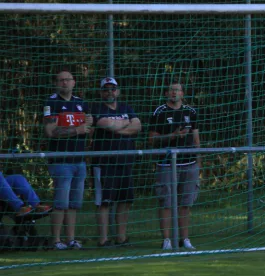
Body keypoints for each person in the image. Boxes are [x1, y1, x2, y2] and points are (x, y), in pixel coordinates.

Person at [43, 68, 93, 250]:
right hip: (61, 160)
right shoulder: (52, 102)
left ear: (74, 82)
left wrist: (89, 124)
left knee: (74, 203)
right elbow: (50, 131)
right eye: (61, 80)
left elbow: (89, 124)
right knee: (61, 202)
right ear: (56, 83)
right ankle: (56, 240)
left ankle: (71, 239)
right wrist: (76, 130)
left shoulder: (81, 103)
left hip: (79, 159)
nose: (65, 83)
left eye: (68, 80)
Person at [148, 81, 201, 250]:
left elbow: (196, 139)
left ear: (182, 94)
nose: (174, 93)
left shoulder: (191, 112)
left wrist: (199, 163)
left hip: (189, 163)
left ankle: (184, 239)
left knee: (186, 203)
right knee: (166, 202)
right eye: (171, 90)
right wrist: (172, 136)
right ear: (166, 93)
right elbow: (152, 139)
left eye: (177, 90)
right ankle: (166, 240)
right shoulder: (160, 112)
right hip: (166, 164)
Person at [91, 77, 142, 247]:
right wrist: (124, 123)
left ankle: (121, 237)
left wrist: (117, 127)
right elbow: (104, 123)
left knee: (125, 200)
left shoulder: (126, 107)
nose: (110, 92)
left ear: (118, 91)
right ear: (101, 92)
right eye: (106, 89)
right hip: (104, 162)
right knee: (104, 201)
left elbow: (137, 126)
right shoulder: (96, 108)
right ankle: (103, 239)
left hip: (125, 161)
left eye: (113, 89)